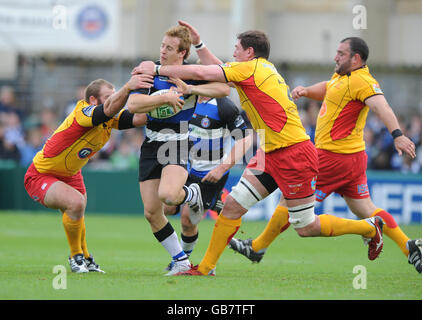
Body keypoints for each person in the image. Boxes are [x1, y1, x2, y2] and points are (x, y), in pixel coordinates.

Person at [133, 28, 388, 276]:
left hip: (294, 153)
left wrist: (156, 69)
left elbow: (203, 70)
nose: (233, 52)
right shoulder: (257, 68)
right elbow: (214, 69)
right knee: (232, 206)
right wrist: (200, 46)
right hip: (269, 151)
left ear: (249, 52)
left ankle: (367, 227)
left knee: (305, 226)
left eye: (237, 49)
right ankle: (204, 268)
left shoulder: (250, 69)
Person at [228, 37, 421, 274]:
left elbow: (382, 107)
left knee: (290, 201)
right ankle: (408, 245)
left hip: (333, 157)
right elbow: (330, 88)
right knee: (364, 207)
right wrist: (308, 91)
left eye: (340, 53)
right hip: (352, 158)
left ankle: (257, 247)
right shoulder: (344, 77)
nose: (335, 57)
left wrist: (398, 134)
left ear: (356, 58)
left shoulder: (363, 81)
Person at [126, 25, 230, 275]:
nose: (162, 51)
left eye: (169, 48)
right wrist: (163, 97)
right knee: (152, 213)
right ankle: (181, 261)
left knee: (170, 197)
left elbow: (224, 88)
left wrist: (191, 89)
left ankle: (194, 195)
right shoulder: (150, 70)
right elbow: (133, 104)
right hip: (151, 143)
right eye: (162, 45)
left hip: (178, 141)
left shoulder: (190, 74)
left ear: (182, 53)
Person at [24, 75, 153, 273]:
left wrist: (165, 102)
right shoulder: (83, 111)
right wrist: (128, 88)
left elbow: (137, 118)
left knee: (78, 208)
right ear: (93, 100)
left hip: (71, 172)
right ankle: (76, 257)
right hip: (41, 173)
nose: (114, 99)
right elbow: (107, 111)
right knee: (76, 203)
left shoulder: (110, 117)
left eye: (114, 94)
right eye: (108, 95)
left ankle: (85, 257)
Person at [163, 91, 253, 274]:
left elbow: (246, 137)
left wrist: (221, 169)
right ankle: (216, 202)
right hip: (181, 166)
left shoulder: (224, 106)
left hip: (208, 174)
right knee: (167, 208)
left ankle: (183, 262)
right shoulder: (184, 99)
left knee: (188, 220)